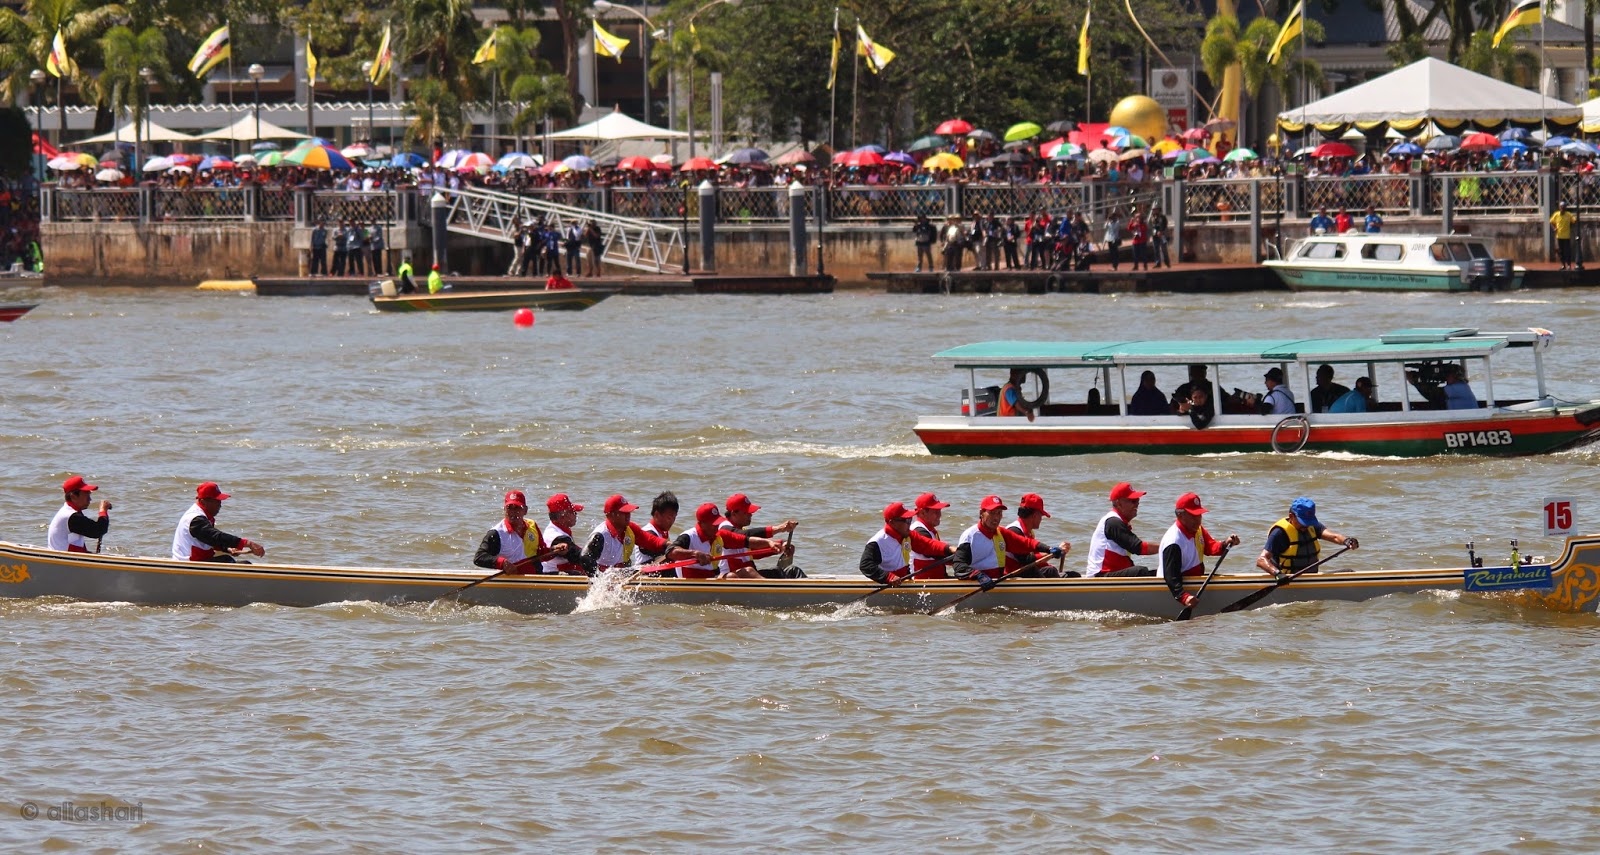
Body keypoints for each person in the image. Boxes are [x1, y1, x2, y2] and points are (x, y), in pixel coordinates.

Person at [952, 495, 1069, 588]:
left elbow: (1025, 543)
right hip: (978, 584)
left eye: (999, 513)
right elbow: (959, 566)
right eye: (992, 513)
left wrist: (1048, 549)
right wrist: (978, 575)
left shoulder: (1001, 532)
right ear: (981, 513)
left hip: (997, 582)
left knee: (1050, 571)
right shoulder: (970, 536)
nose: (996, 518)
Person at [1159, 492, 1241, 608]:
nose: (1198, 520)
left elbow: (1211, 548)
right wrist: (1184, 597)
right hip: (1169, 588)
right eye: (1193, 516)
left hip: (1193, 582)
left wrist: (1226, 544)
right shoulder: (1173, 541)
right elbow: (1171, 577)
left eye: (1199, 515)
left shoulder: (1197, 530)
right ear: (1180, 515)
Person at [582, 494, 700, 572]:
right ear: (611, 515)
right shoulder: (600, 535)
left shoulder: (630, 528)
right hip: (605, 577)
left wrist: (670, 545)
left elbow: (650, 541)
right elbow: (585, 559)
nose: (628, 516)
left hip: (618, 573)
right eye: (624, 513)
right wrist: (599, 581)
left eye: (629, 512)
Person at [671, 502, 788, 579]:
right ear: (701, 524)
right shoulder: (688, 536)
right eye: (713, 524)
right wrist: (695, 554)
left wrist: (770, 543)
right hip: (691, 581)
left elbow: (745, 540)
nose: (717, 526)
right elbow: (672, 552)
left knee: (746, 571)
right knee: (734, 576)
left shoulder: (719, 535)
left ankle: (772, 591)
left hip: (712, 578)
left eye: (717, 523)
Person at [1256, 497, 1358, 577]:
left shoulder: (1311, 526)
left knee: (1349, 572)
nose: (1306, 526)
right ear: (1291, 516)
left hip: (1310, 578)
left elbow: (1334, 537)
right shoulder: (1279, 533)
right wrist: (1278, 574)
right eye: (1303, 522)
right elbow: (1261, 560)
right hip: (1287, 579)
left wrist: (1347, 541)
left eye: (1308, 522)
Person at [473, 490, 571, 574]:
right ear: (504, 509)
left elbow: (541, 554)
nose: (513, 512)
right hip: (513, 581)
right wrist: (502, 563)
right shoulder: (496, 533)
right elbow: (479, 557)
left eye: (517, 508)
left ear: (525, 510)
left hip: (535, 578)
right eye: (509, 508)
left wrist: (554, 550)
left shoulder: (532, 525)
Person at [859, 501, 954, 585]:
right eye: (906, 520)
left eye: (910, 519)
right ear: (892, 523)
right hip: (888, 584)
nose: (909, 524)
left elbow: (927, 545)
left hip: (903, 581)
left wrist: (950, 549)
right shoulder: (877, 542)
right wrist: (888, 577)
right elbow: (866, 565)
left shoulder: (908, 535)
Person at [172, 482, 265, 563]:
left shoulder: (202, 516)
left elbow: (208, 540)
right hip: (188, 564)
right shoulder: (195, 519)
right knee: (228, 560)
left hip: (197, 561)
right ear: (203, 502)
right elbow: (215, 537)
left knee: (242, 563)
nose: (220, 505)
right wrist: (247, 543)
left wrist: (228, 549)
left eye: (220, 501)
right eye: (216, 501)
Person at [718, 493, 802, 579]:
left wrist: (781, 545)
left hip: (750, 577)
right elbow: (745, 535)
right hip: (732, 578)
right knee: (749, 571)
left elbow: (755, 551)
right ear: (734, 513)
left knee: (792, 570)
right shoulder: (724, 529)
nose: (751, 514)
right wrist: (779, 528)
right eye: (746, 512)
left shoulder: (740, 530)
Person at [1085, 482, 1159, 577]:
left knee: (1160, 572)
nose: (1137, 504)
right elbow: (1138, 548)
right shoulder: (1113, 522)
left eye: (1137, 500)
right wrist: (1166, 547)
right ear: (1118, 503)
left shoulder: (1118, 521)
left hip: (1112, 574)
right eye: (1133, 501)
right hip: (1100, 576)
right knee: (1140, 571)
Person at [1002, 493, 1068, 578]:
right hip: (1013, 575)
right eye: (1041, 516)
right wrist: (1053, 553)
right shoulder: (1014, 531)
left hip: (1026, 571)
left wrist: (1057, 551)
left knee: (1070, 574)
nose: (1041, 519)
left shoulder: (1028, 532)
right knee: (1050, 571)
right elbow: (1026, 560)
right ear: (1035, 515)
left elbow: (1035, 557)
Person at [48, 475, 110, 553]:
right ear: (73, 496)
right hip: (62, 558)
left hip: (66, 556)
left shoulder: (70, 513)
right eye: (86, 494)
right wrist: (103, 511)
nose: (90, 499)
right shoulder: (71, 516)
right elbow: (98, 531)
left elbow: (75, 545)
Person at [540, 494, 592, 575]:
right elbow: (579, 557)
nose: (576, 514)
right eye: (573, 512)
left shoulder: (559, 529)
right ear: (563, 515)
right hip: (552, 575)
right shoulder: (557, 537)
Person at [630, 491, 685, 568]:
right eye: (669, 517)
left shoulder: (663, 532)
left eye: (674, 517)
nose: (672, 521)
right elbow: (663, 556)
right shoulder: (648, 532)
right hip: (643, 573)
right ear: (657, 515)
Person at [909, 492, 953, 578]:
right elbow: (937, 554)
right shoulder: (918, 531)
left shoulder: (930, 530)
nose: (940, 515)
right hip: (921, 583)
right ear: (923, 513)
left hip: (935, 579)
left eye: (939, 511)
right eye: (936, 511)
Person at [1551, 201, 1578, 270]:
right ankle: (1563, 265)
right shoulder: (1556, 214)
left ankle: (1568, 264)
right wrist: (1554, 228)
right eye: (1561, 207)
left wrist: (1570, 226)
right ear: (1559, 208)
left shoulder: (1568, 214)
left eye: (1563, 207)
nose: (1562, 208)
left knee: (1567, 251)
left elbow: (1574, 221)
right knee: (1560, 251)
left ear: (1565, 208)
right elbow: (1551, 222)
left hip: (1566, 236)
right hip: (1559, 236)